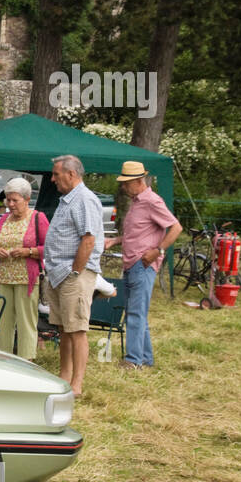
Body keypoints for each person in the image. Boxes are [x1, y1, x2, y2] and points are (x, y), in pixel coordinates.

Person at [103, 161, 181, 369]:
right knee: (136, 312)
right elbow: (138, 233)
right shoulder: (137, 202)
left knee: (135, 313)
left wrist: (159, 250)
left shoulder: (152, 201)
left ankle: (133, 361)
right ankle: (145, 359)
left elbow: (176, 227)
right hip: (132, 264)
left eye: (126, 183)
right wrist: (116, 241)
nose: (123, 187)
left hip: (142, 264)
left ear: (138, 181)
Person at [44, 155, 104, 395]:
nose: (52, 179)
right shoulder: (67, 199)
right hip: (59, 273)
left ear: (71, 174)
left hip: (74, 274)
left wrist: (76, 271)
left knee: (77, 329)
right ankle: (64, 377)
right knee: (63, 328)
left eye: (56, 174)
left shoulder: (85, 200)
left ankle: (77, 384)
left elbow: (88, 239)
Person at [0, 177, 49, 360]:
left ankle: (27, 360)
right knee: (4, 320)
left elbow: (49, 247)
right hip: (3, 277)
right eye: (8, 200)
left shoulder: (38, 218)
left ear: (26, 199)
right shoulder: (3, 219)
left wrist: (28, 251)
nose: (10, 204)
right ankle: (4, 358)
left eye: (14, 200)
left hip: (27, 278)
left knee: (26, 321)